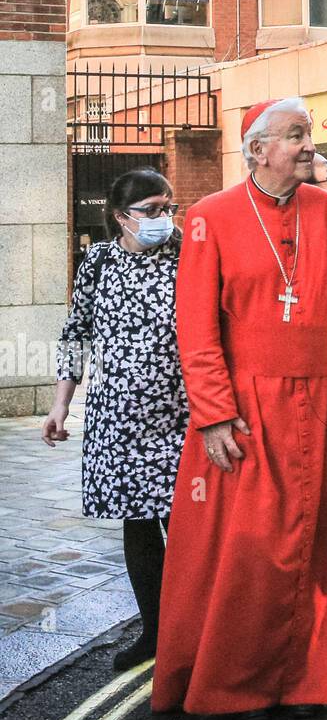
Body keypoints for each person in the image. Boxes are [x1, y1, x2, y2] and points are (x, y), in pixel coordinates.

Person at [152, 97, 327, 720]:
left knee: (321, 549)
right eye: (295, 136)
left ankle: (306, 681)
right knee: (252, 554)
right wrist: (213, 412)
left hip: (322, 403)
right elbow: (196, 328)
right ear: (258, 150)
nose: (307, 146)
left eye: (308, 135)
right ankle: (236, 684)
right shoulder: (209, 217)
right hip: (247, 408)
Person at [44, 170, 186, 672]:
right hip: (118, 421)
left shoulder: (187, 254)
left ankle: (189, 636)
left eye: (169, 207)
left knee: (188, 529)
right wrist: (61, 403)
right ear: (120, 216)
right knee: (139, 526)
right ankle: (153, 631)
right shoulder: (99, 263)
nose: (163, 219)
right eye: (151, 210)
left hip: (183, 416)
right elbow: (75, 332)